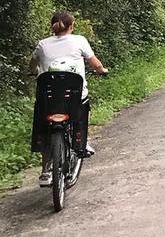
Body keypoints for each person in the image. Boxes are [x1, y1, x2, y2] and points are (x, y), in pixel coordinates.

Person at [29, 10, 107, 186]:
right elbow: (95, 64)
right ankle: (82, 142)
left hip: (48, 98)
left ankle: (46, 171)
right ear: (71, 26)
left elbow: (33, 63)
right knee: (82, 106)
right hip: (74, 95)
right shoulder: (79, 40)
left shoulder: (42, 44)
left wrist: (32, 71)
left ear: (53, 27)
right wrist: (102, 70)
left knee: (46, 127)